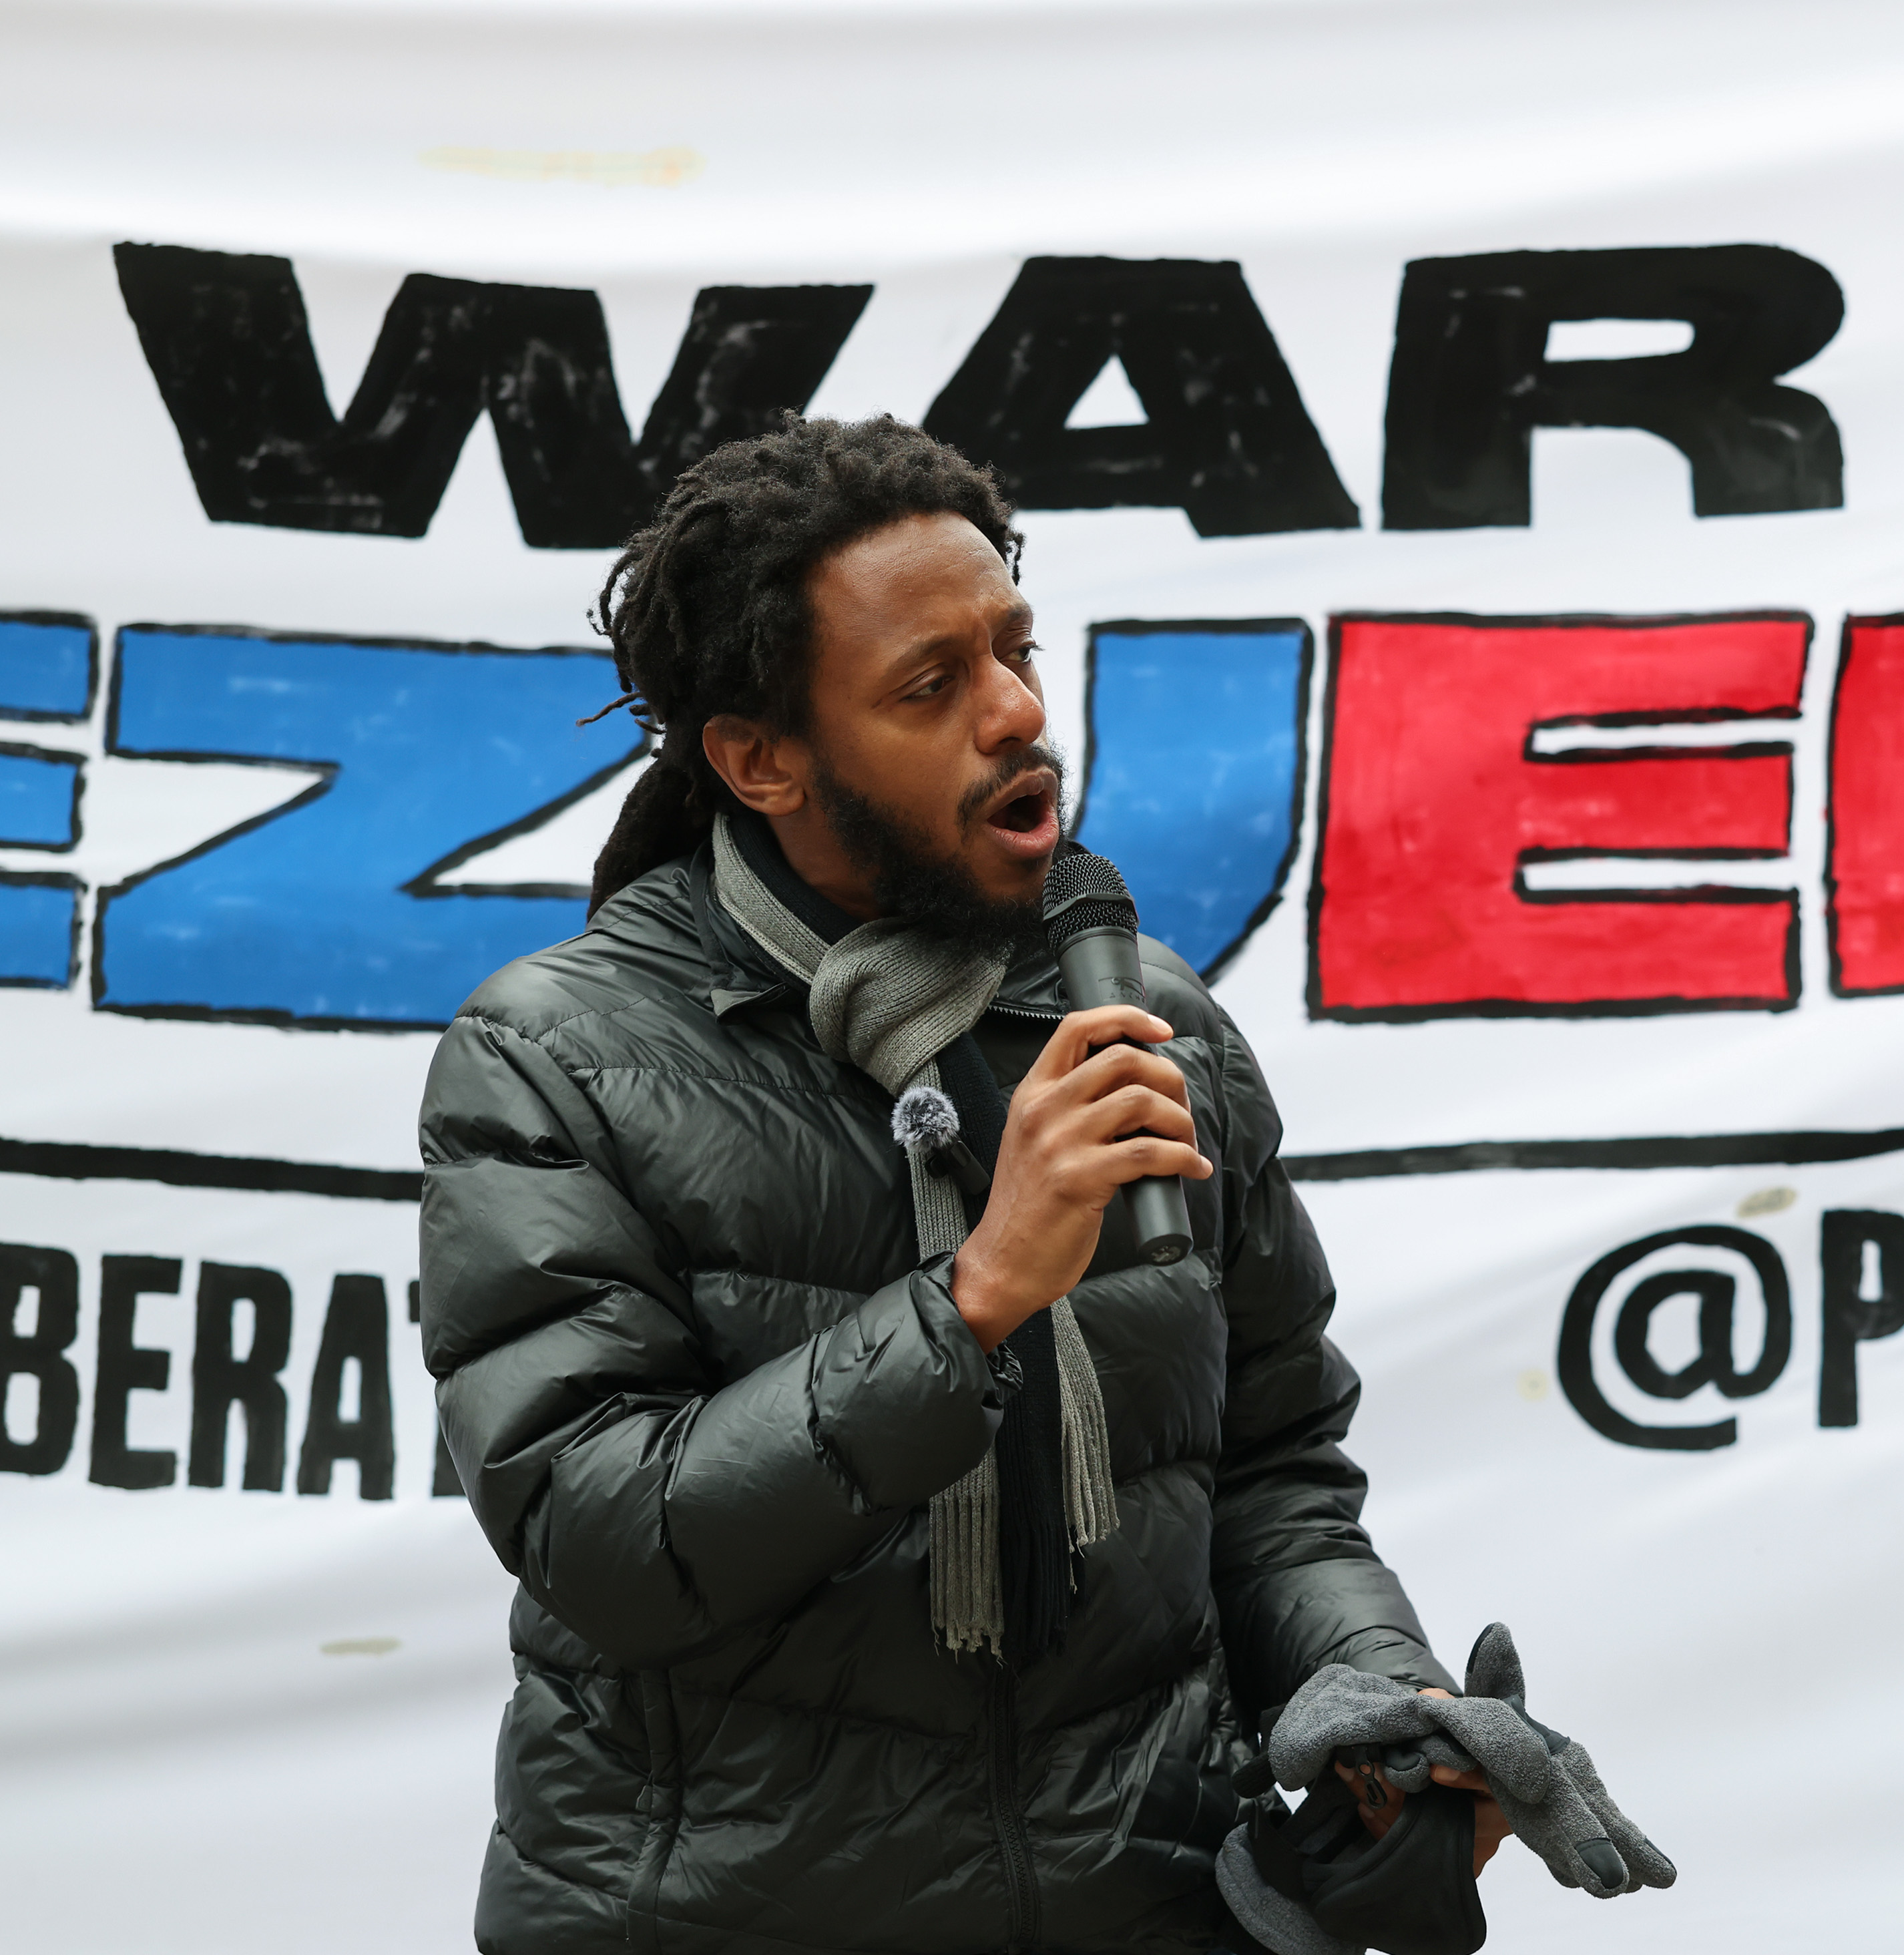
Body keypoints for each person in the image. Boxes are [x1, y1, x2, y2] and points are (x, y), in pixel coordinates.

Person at [417, 415, 1492, 1955]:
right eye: (931, 685)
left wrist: (1373, 1700)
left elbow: (1267, 1470)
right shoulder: (558, 1055)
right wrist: (975, 1301)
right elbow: (607, 1540)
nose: (1018, 714)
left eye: (1015, 650)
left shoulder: (1150, 1019)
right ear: (761, 760)